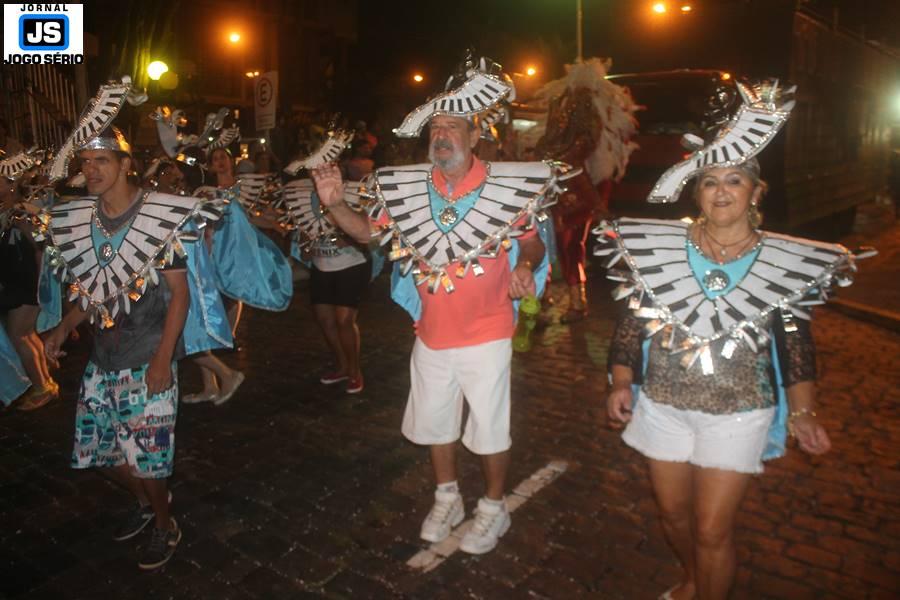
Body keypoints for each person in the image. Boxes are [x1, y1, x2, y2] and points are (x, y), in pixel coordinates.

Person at [597, 80, 870, 600]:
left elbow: (795, 340)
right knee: (673, 516)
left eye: (734, 180)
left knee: (711, 529)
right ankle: (693, 578)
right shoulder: (662, 249)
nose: (721, 191)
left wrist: (804, 412)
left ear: (755, 192)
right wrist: (621, 379)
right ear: (696, 192)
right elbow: (633, 319)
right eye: (709, 181)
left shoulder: (781, 261)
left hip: (740, 410)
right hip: (663, 405)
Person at [313, 54, 573, 555]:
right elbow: (368, 233)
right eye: (435, 127)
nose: (442, 135)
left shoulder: (505, 187)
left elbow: (533, 242)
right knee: (436, 425)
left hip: (488, 332)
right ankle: (447, 497)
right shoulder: (408, 189)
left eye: (453, 126)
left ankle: (493, 507)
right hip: (430, 333)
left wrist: (525, 265)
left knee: (489, 430)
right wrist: (336, 204)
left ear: (475, 136)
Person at [38, 119, 231, 570]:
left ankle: (165, 523)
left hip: (147, 356)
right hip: (102, 358)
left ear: (125, 164)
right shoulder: (83, 221)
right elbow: (93, 291)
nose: (91, 170)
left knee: (149, 461)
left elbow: (180, 295)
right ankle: (147, 503)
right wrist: (63, 328)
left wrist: (163, 360)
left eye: (102, 160)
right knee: (96, 452)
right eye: (85, 162)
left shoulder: (158, 218)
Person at [534, 58, 638, 323]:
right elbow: (549, 142)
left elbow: (582, 148)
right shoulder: (560, 109)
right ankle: (542, 299)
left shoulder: (590, 119)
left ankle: (577, 302)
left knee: (569, 244)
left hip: (578, 189)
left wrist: (559, 159)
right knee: (546, 243)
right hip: (554, 189)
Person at [283, 129, 370, 393]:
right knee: (326, 321)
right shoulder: (301, 197)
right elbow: (303, 248)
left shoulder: (348, 191)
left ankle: (355, 371)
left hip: (351, 266)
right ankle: (342, 366)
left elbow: (364, 231)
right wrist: (306, 243)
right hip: (322, 267)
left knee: (344, 320)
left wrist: (345, 236)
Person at [1, 176, 58, 410]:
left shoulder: (23, 212)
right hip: (17, 282)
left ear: (12, 184)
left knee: (19, 335)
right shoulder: (10, 211)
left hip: (26, 283)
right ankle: (45, 382)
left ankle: (41, 386)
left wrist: (38, 287)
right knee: (26, 334)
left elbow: (41, 245)